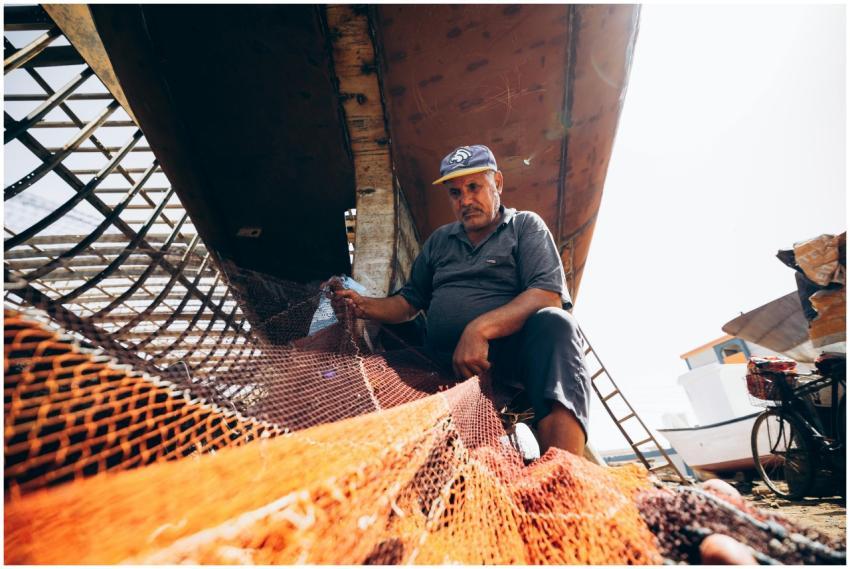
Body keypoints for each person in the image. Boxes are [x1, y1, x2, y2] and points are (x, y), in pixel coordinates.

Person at [329, 144, 590, 456]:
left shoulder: (525, 227)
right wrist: (362, 305)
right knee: (364, 373)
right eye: (455, 193)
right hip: (438, 360)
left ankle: (566, 469)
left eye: (474, 187)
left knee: (557, 323)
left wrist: (478, 330)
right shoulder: (439, 241)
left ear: (498, 184)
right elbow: (409, 303)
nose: (465, 200)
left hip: (508, 360)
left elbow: (546, 294)